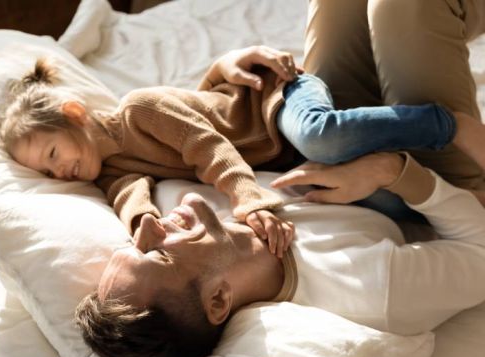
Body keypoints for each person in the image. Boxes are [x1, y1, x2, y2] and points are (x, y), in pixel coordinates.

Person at [0, 53, 485, 250]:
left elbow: (206, 146)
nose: (60, 172)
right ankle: (458, 194)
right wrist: (142, 225)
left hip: (276, 104)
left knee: (319, 137)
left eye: (53, 153)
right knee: (367, 200)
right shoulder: (112, 169)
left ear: (74, 113)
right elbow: (128, 193)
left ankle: (445, 125)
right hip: (284, 158)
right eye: (47, 171)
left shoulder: (140, 108)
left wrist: (250, 200)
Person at [74, 152, 485, 357]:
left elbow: (125, 159)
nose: (147, 224)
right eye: (158, 253)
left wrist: (221, 73)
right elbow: (480, 253)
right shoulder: (371, 288)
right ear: (217, 300)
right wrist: (392, 170)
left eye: (133, 241)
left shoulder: (175, 201)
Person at [199, 0, 485, 210]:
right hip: (438, 189)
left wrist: (217, 73)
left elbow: (193, 115)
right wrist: (390, 170)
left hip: (327, 139)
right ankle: (450, 133)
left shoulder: (160, 177)